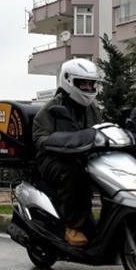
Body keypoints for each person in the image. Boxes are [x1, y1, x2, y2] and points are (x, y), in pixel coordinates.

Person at [32, 59, 103, 246]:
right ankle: (72, 226)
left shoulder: (93, 110)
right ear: (69, 81)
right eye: (83, 83)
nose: (88, 87)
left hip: (82, 158)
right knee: (73, 173)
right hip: (52, 160)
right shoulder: (50, 110)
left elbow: (101, 130)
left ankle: (97, 223)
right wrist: (57, 141)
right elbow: (40, 139)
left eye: (91, 83)